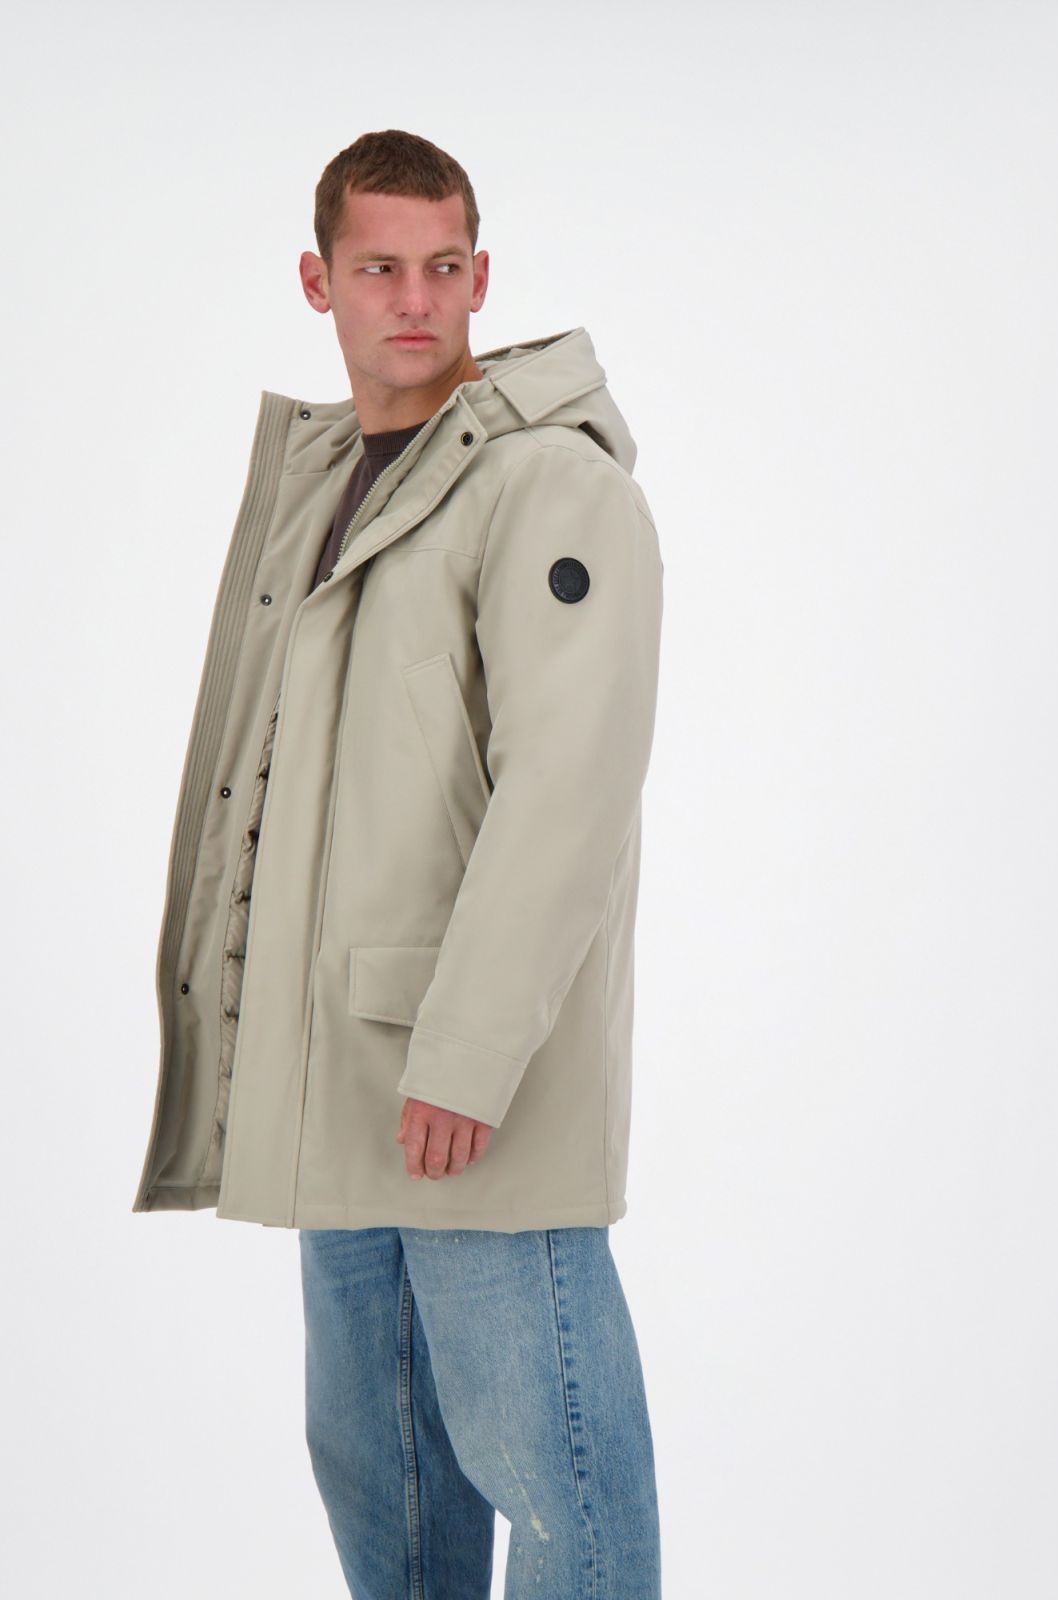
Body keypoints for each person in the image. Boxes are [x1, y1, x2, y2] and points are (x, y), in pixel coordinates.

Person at [132, 128, 665, 1598]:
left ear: (481, 276)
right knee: (386, 1500)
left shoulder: (546, 487)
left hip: (469, 1095)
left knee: (556, 1480)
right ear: (320, 282)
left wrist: (470, 1054)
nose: (413, 300)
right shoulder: (328, 488)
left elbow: (569, 783)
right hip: (339, 1078)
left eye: (442, 267)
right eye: (378, 268)